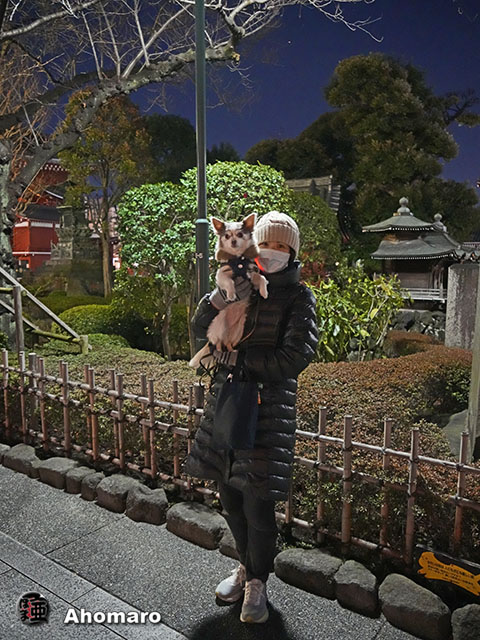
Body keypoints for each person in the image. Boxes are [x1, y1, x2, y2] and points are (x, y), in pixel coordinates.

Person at [183, 211, 318, 624]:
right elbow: (200, 326)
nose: (273, 252)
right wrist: (217, 295)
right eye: (268, 244)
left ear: (292, 252)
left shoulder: (299, 297)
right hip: (227, 402)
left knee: (258, 504)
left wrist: (241, 361)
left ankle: (258, 580)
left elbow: (296, 355)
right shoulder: (239, 284)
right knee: (229, 497)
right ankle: (245, 567)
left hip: (267, 410)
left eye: (282, 246)